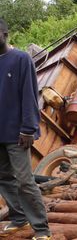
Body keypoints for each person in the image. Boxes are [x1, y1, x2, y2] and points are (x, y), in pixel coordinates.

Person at [0, 18, 51, 240]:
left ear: (4, 33)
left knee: (24, 179)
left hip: (17, 133)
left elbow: (30, 95)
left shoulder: (21, 59)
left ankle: (41, 228)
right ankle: (19, 217)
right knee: (3, 177)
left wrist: (29, 129)